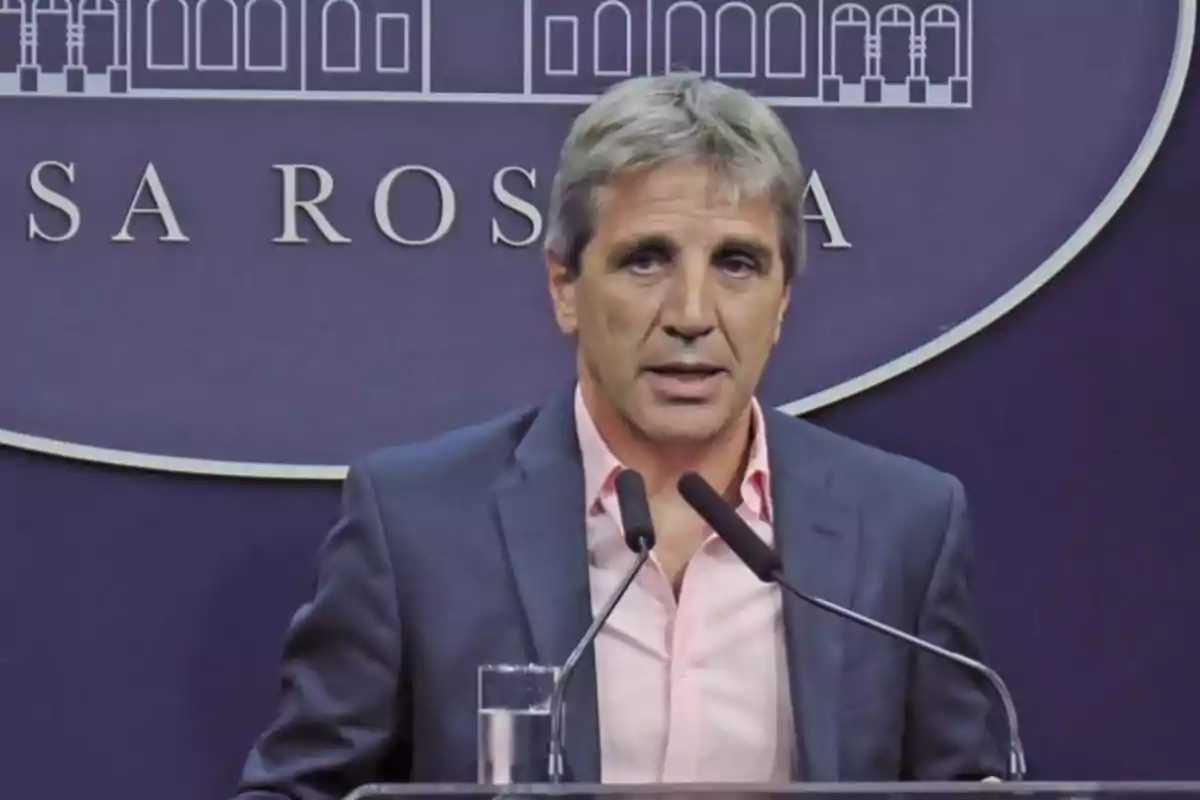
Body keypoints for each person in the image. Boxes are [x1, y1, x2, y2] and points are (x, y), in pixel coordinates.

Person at [232, 73, 1004, 799]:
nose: (693, 314)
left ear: (781, 300)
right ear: (564, 286)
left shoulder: (903, 525)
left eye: (737, 264)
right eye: (646, 260)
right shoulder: (418, 525)